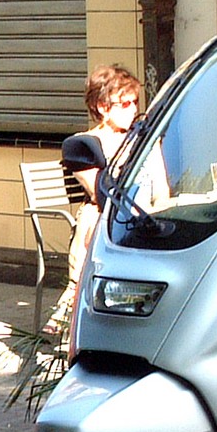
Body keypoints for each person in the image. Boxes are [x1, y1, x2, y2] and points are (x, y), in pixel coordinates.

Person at [45, 64, 141, 333]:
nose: (133, 109)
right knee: (92, 226)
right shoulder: (84, 144)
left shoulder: (141, 139)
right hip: (101, 213)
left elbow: (161, 187)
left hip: (140, 211)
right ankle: (68, 321)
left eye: (135, 102)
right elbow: (101, 193)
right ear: (102, 107)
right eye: (124, 103)